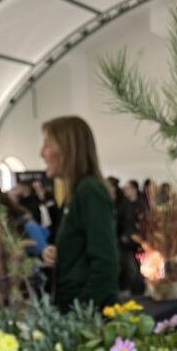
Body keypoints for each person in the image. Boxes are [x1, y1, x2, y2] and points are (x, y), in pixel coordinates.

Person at [39, 116, 119, 310]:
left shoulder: (89, 191)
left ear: (68, 149)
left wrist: (80, 314)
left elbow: (106, 265)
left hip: (86, 317)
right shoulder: (74, 194)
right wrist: (59, 252)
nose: (41, 153)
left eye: (47, 145)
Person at [118, 179, 146, 296]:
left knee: (141, 268)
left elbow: (146, 222)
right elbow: (119, 222)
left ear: (134, 190)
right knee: (131, 268)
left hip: (139, 243)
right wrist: (121, 236)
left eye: (128, 188)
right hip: (126, 244)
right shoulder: (123, 205)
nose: (125, 191)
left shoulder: (141, 204)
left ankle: (140, 290)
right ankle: (133, 291)